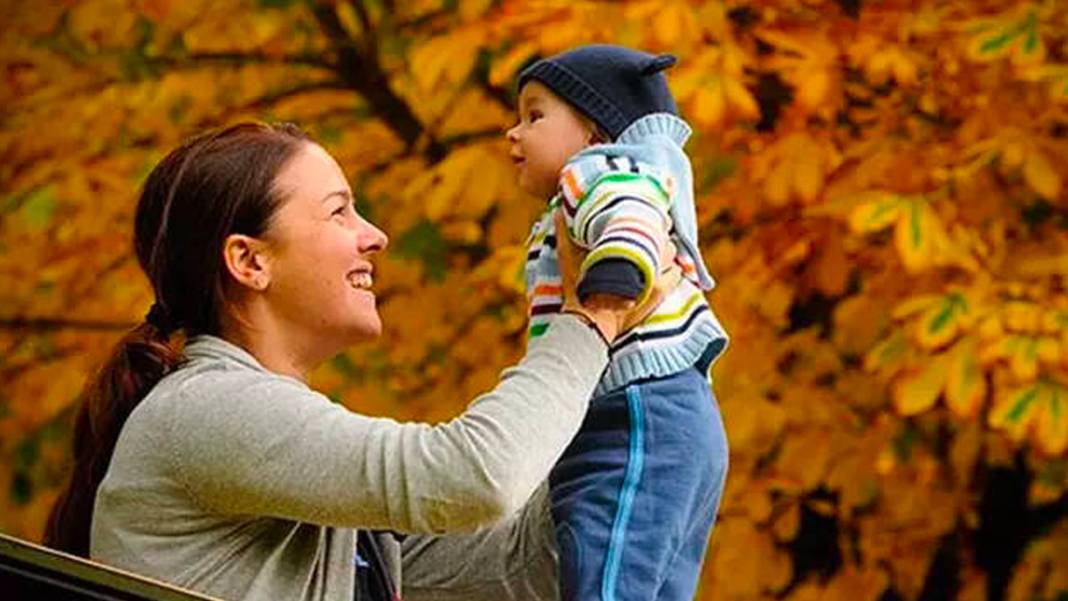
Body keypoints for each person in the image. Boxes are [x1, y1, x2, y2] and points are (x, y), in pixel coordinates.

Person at [43, 122, 680, 601]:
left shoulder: (315, 503)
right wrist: (591, 316)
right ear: (249, 262)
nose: (374, 235)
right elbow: (475, 477)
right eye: (339, 210)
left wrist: (651, 368)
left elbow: (528, 565)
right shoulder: (202, 410)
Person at [506, 45, 730, 601]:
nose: (514, 133)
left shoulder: (597, 173)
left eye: (535, 116)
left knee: (603, 574)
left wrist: (617, 263)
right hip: (673, 419)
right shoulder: (591, 188)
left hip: (631, 415)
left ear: (595, 133)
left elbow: (629, 209)